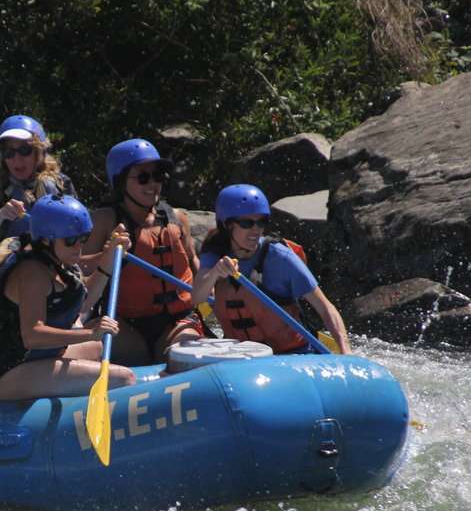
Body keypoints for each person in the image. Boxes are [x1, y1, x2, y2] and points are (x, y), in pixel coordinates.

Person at [0, 194, 136, 400]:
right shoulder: (31, 272)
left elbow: (83, 301)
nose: (78, 248)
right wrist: (90, 333)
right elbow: (33, 335)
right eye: (70, 241)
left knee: (96, 348)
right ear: (45, 239)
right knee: (125, 379)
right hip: (10, 373)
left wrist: (108, 260)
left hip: (38, 360)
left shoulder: (56, 261)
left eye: (83, 238)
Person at [82, 138, 204, 366]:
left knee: (183, 358)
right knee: (131, 356)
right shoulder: (105, 221)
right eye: (143, 177)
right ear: (120, 182)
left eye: (157, 176)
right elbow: (76, 270)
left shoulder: (178, 218)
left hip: (177, 322)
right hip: (125, 323)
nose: (153, 184)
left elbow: (195, 268)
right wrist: (107, 255)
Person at [193, 184, 351, 354]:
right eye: (247, 223)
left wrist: (345, 350)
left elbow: (325, 307)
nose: (256, 230)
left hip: (291, 355)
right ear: (226, 225)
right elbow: (197, 297)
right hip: (241, 356)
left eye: (262, 222)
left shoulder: (280, 257)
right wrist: (215, 273)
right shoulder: (215, 249)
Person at [0, 115, 77, 242]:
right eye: (9, 152)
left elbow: (78, 232)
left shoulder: (61, 183)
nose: (17, 159)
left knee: (48, 185)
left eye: (24, 150)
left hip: (53, 258)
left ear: (39, 152)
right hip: (5, 258)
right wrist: (1, 215)